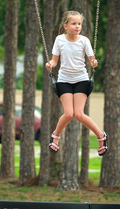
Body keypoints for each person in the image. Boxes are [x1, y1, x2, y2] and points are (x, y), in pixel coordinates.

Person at [45, 11, 108, 156]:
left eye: (79, 24)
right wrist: (50, 64)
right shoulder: (59, 40)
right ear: (65, 26)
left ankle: (101, 136)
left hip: (81, 79)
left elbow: (91, 59)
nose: (77, 26)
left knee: (79, 114)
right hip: (64, 80)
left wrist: (94, 63)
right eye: (74, 23)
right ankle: (55, 136)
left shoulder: (84, 41)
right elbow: (54, 61)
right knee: (68, 114)